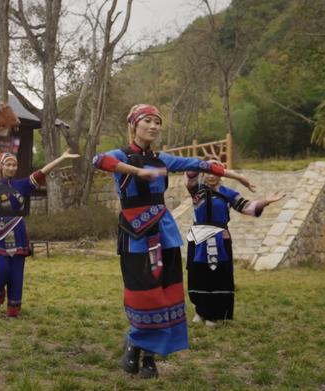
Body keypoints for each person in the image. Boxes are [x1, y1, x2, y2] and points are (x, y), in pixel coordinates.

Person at [92, 104, 255, 379]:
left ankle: (149, 357)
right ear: (134, 125)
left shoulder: (163, 159)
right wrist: (137, 171)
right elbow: (98, 160)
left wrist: (235, 174)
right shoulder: (121, 156)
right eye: (148, 121)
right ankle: (135, 339)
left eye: (158, 122)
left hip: (164, 232)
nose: (154, 126)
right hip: (135, 234)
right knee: (142, 291)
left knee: (165, 292)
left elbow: (200, 164)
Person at [0, 150, 79, 318]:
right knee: (0, 270)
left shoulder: (22, 185)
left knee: (16, 272)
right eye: (8, 164)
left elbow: (42, 172)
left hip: (18, 230)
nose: (12, 168)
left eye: (14, 165)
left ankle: (13, 310)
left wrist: (61, 158)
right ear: (2, 166)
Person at [185, 162, 285, 326]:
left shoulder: (228, 193)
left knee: (217, 276)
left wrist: (266, 201)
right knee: (198, 275)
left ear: (220, 174)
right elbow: (190, 173)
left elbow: (247, 207)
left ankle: (213, 314)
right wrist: (203, 163)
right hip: (199, 239)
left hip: (220, 239)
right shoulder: (196, 190)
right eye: (208, 171)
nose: (211, 175)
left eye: (215, 171)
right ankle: (200, 310)